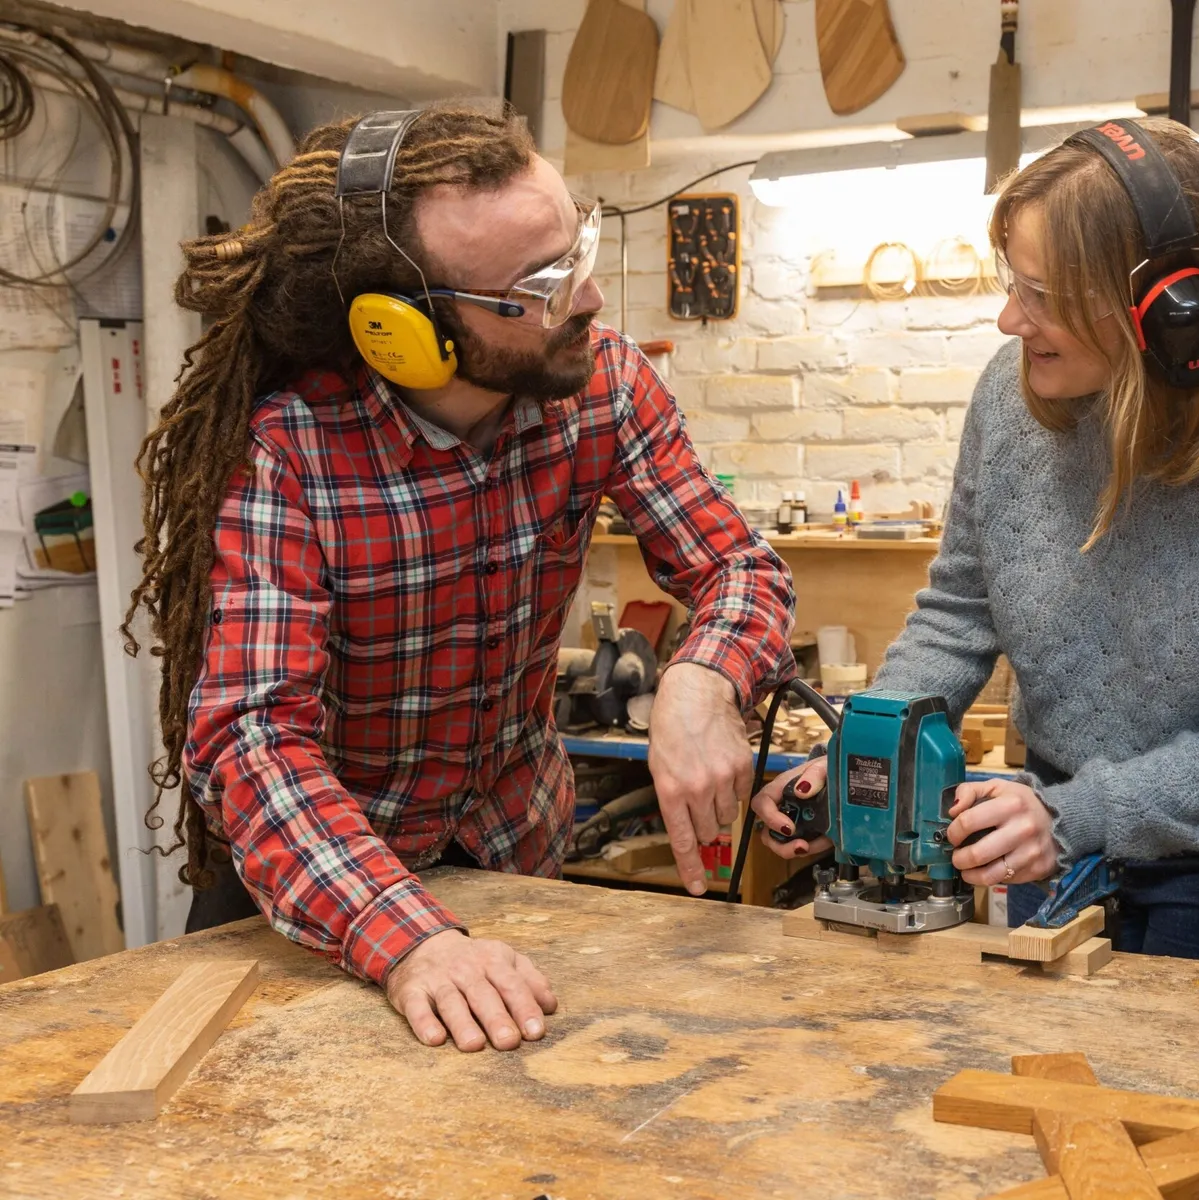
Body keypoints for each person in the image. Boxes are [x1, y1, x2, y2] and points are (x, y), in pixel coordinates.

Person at [125, 106, 794, 1051]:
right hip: (327, 888)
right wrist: (409, 940)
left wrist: (703, 678)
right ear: (403, 328)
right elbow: (252, 735)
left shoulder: (601, 382)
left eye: (580, 246)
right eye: (543, 283)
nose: (592, 300)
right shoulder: (290, 451)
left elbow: (738, 564)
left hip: (514, 855)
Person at [753, 118, 1199, 974]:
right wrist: (866, 752)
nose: (1012, 319)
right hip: (1052, 831)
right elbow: (959, 613)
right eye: (1015, 284)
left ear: (1165, 309)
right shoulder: (1009, 406)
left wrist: (1076, 816)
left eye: (1043, 295)